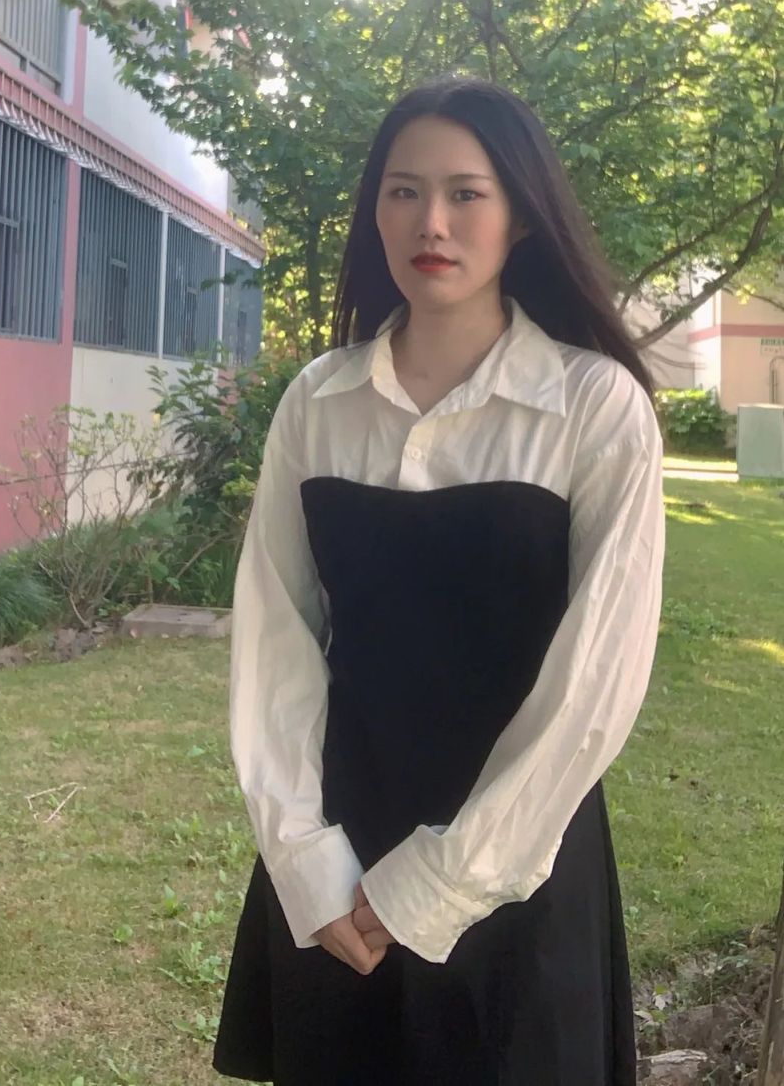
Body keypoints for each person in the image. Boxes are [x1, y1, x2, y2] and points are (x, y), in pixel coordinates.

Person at [212, 75, 665, 1086]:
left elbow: (595, 682)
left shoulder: (593, 409)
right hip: (334, 866)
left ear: (521, 216)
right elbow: (274, 639)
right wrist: (304, 856)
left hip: (517, 862)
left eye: (467, 193)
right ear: (374, 211)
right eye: (404, 191)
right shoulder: (317, 404)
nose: (432, 222)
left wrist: (444, 880)